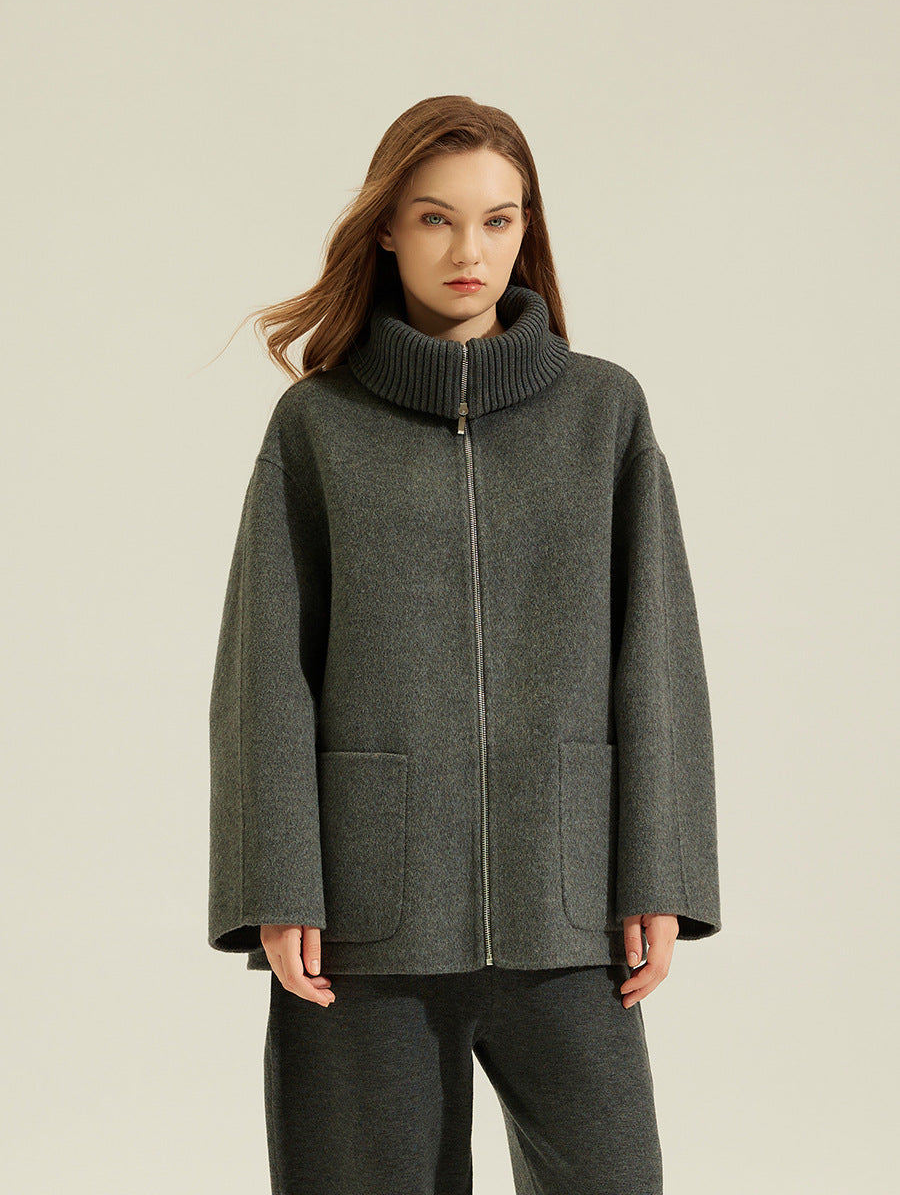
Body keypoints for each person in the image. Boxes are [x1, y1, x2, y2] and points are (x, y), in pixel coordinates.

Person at [207, 94, 721, 1195]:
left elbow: (657, 658)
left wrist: (661, 873)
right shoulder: (318, 427)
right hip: (363, 925)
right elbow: (264, 675)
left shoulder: (604, 414)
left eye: (499, 219)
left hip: (568, 908)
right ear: (387, 231)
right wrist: (277, 884)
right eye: (436, 219)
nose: (469, 251)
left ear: (527, 229)